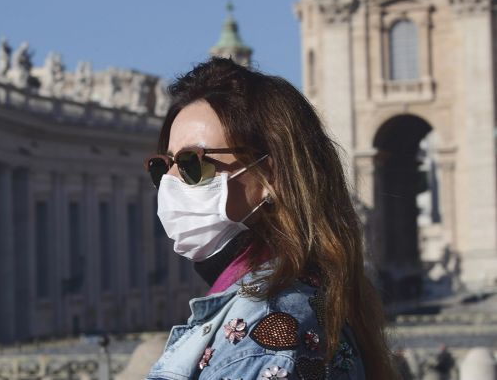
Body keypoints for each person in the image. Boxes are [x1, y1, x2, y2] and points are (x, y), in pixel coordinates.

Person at [144, 58, 397, 379]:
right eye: (162, 166)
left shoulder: (260, 339)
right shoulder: (308, 299)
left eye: (192, 163)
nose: (171, 182)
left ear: (270, 175)